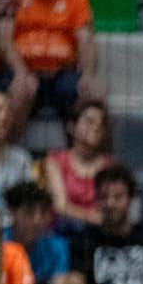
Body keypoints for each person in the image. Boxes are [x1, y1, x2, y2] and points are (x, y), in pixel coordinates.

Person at [0, 0, 102, 139]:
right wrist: (20, 73)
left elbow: (86, 38)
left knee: (93, 92)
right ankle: (6, 154)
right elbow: (3, 37)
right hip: (20, 70)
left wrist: (88, 74)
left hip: (62, 74)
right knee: (24, 87)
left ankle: (79, 160)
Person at [41, 98, 113, 233]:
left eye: (101, 124)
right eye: (89, 121)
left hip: (98, 235)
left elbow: (111, 207)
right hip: (62, 233)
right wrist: (92, 217)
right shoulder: (55, 161)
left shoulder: (109, 166)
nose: (96, 127)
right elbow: (60, 207)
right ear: (72, 127)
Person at [3, 181, 69, 284]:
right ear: (12, 212)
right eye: (29, 212)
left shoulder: (57, 246)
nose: (37, 219)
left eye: (43, 212)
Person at [0, 92, 35, 224]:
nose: (5, 117)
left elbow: (30, 203)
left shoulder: (22, 159)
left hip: (11, 232)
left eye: (9, 111)